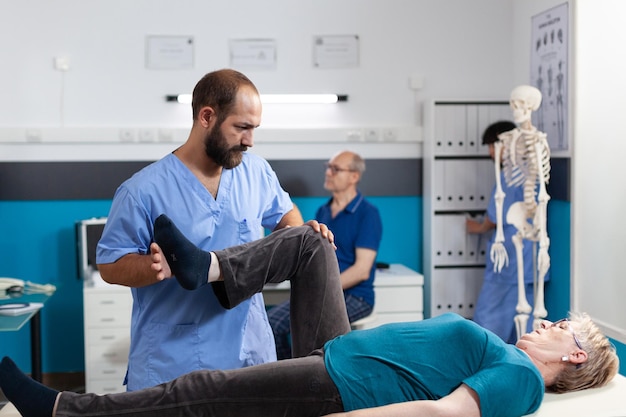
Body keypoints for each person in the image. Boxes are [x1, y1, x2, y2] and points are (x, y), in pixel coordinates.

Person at [0, 215, 619, 417]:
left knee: (203, 392)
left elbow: (442, 412)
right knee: (311, 240)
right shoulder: (514, 355)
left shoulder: (524, 379)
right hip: (342, 351)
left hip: (345, 385)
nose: (546, 323)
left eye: (560, 326)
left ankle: (61, 410)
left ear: (576, 355)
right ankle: (208, 269)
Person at [95, 69, 333, 390]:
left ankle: (205, 266)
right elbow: (110, 265)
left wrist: (301, 236)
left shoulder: (256, 172)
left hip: (250, 354)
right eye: (241, 128)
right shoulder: (142, 190)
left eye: (254, 129)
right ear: (207, 116)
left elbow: (286, 215)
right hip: (175, 360)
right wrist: (153, 268)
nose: (250, 140)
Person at [268, 150, 383, 359]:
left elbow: (361, 271)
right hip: (324, 290)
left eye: (335, 169)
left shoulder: (368, 214)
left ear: (354, 176)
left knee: (297, 331)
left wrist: (320, 288)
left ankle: (300, 383)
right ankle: (291, 381)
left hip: (356, 296)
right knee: (273, 323)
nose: (328, 173)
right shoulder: (324, 211)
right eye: (327, 167)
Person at [466, 120, 547, 343]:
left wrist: (476, 227)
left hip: (509, 264)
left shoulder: (508, 178)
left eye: (492, 146)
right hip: (533, 264)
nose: (490, 153)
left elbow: (493, 219)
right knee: (525, 331)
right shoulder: (534, 173)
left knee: (485, 331)